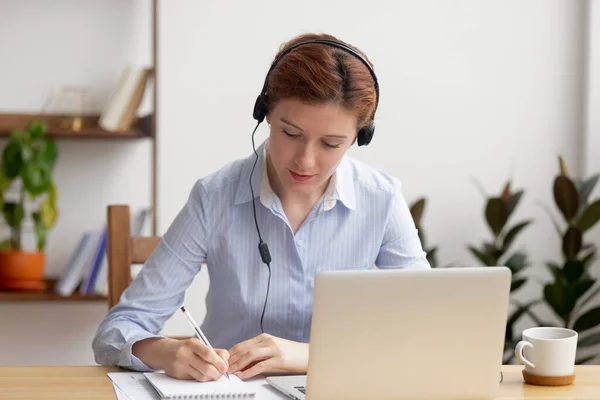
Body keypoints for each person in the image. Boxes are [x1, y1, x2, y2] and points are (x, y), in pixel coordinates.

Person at [92, 32, 430, 383]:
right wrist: (166, 351)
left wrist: (306, 355)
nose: (306, 160)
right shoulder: (214, 196)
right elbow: (116, 331)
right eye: (291, 133)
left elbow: (429, 326)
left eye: (331, 143)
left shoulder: (382, 198)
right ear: (265, 113)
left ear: (361, 136)